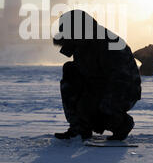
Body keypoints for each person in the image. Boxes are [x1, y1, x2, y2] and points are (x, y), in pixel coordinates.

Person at [53, 10, 141, 141]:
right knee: (70, 69)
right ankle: (79, 128)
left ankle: (122, 124)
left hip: (123, 91)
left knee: (100, 114)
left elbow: (122, 79)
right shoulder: (81, 43)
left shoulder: (109, 43)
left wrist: (103, 108)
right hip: (98, 86)